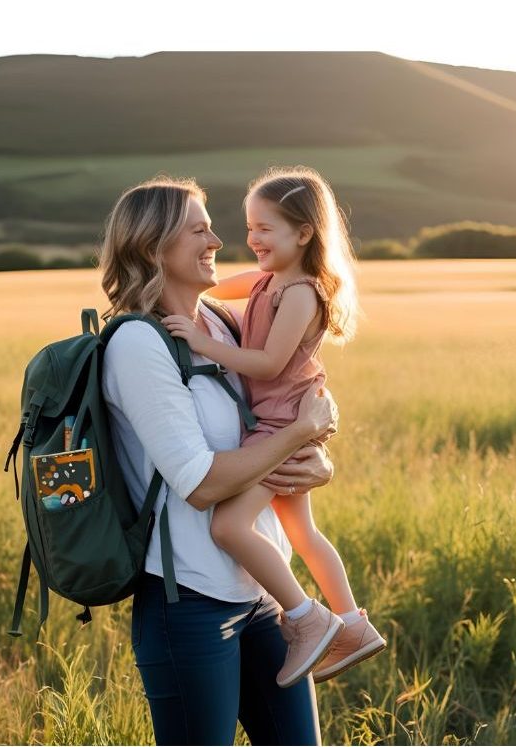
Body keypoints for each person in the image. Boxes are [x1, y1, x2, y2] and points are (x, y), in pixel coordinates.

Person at [98, 175, 337, 746]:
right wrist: (302, 431)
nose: (217, 239)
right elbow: (202, 484)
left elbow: (284, 411)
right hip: (190, 606)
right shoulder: (139, 343)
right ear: (153, 246)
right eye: (198, 228)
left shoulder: (223, 324)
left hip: (259, 596)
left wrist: (316, 458)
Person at [161, 166, 386, 689]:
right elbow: (215, 287)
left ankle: (308, 620)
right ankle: (354, 624)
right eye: (249, 227)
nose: (251, 238)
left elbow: (266, 363)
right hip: (281, 420)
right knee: (301, 532)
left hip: (281, 422)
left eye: (265, 228)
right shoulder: (269, 282)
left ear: (304, 233)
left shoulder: (301, 293)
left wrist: (204, 345)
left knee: (228, 526)